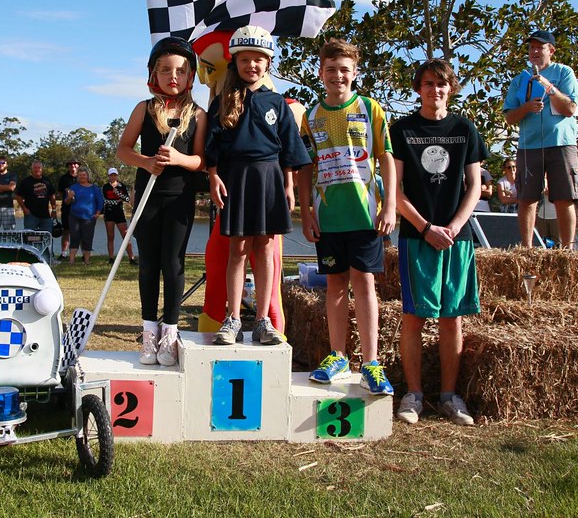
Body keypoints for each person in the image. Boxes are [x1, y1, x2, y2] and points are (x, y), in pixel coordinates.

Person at [390, 59, 487, 426]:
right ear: (419, 88)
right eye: (429, 83)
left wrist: (454, 226)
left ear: (452, 88)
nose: (436, 90)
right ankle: (412, 394)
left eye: (442, 84)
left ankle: (449, 395)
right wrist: (426, 226)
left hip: (456, 239)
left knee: (452, 318)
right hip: (417, 235)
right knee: (414, 316)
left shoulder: (465, 129)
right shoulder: (402, 130)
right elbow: (394, 189)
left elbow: (474, 185)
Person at [297, 39, 396, 395]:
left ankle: (371, 362)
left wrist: (391, 205)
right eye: (331, 69)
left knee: (364, 282)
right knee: (335, 285)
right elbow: (305, 167)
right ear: (320, 72)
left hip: (365, 213)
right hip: (328, 216)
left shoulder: (371, 108)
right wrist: (306, 212)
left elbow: (386, 158)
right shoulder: (311, 116)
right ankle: (337, 355)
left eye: (344, 70)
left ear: (354, 73)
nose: (337, 75)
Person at [206, 25, 311, 346]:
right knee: (237, 250)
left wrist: (289, 185)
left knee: (265, 249)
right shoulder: (222, 102)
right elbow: (212, 147)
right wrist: (212, 177)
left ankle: (263, 319)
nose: (251, 65)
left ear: (267, 64)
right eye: (245, 59)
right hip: (236, 178)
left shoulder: (277, 103)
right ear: (235, 63)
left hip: (270, 179)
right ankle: (233, 319)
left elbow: (290, 147)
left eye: (258, 60)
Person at [117, 36, 206, 365]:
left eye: (181, 71)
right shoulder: (144, 108)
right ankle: (149, 333)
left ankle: (170, 333)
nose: (173, 76)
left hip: (180, 200)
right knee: (149, 265)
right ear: (154, 74)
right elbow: (123, 150)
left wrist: (178, 159)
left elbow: (201, 161)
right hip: (148, 199)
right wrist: (146, 161)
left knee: (173, 264)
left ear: (190, 77)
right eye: (166, 70)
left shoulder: (197, 113)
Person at [502, 30, 578, 247]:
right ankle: (527, 248)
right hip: (529, 146)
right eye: (531, 47)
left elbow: (571, 108)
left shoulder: (565, 72)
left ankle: (567, 249)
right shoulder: (520, 79)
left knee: (564, 198)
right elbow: (509, 117)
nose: (535, 51)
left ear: (551, 50)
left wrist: (549, 87)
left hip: (561, 144)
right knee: (527, 198)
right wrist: (527, 108)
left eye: (540, 47)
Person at [64, 166, 104, 264]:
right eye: (80, 175)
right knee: (74, 238)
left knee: (87, 239)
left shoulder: (94, 188)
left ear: (87, 176)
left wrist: (98, 213)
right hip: (74, 217)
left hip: (89, 218)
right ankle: (71, 260)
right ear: (78, 176)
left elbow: (100, 201)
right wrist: (69, 197)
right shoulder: (73, 187)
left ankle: (87, 261)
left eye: (84, 175)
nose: (82, 177)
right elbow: (67, 202)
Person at [102, 167, 136, 265]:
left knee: (125, 235)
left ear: (117, 175)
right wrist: (116, 201)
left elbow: (127, 199)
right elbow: (105, 200)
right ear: (108, 176)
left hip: (119, 212)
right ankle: (111, 258)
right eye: (111, 175)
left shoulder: (122, 186)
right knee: (110, 236)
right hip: (108, 212)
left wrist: (119, 195)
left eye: (115, 175)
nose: (113, 177)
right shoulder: (105, 187)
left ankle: (131, 258)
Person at [15, 160, 57, 232]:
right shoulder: (26, 181)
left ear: (42, 169)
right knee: (29, 238)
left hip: (45, 215)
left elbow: (52, 196)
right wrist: (24, 209)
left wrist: (54, 210)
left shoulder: (47, 181)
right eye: (35, 168)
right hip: (31, 215)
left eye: (39, 168)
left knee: (47, 238)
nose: (37, 169)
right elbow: (18, 196)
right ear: (32, 169)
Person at [57, 159, 80, 258]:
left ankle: (79, 254)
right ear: (68, 166)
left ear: (78, 166)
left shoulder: (83, 177)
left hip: (80, 209)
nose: (73, 166)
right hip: (67, 208)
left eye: (75, 164)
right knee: (66, 231)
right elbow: (61, 193)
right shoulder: (63, 178)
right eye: (70, 164)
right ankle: (64, 253)